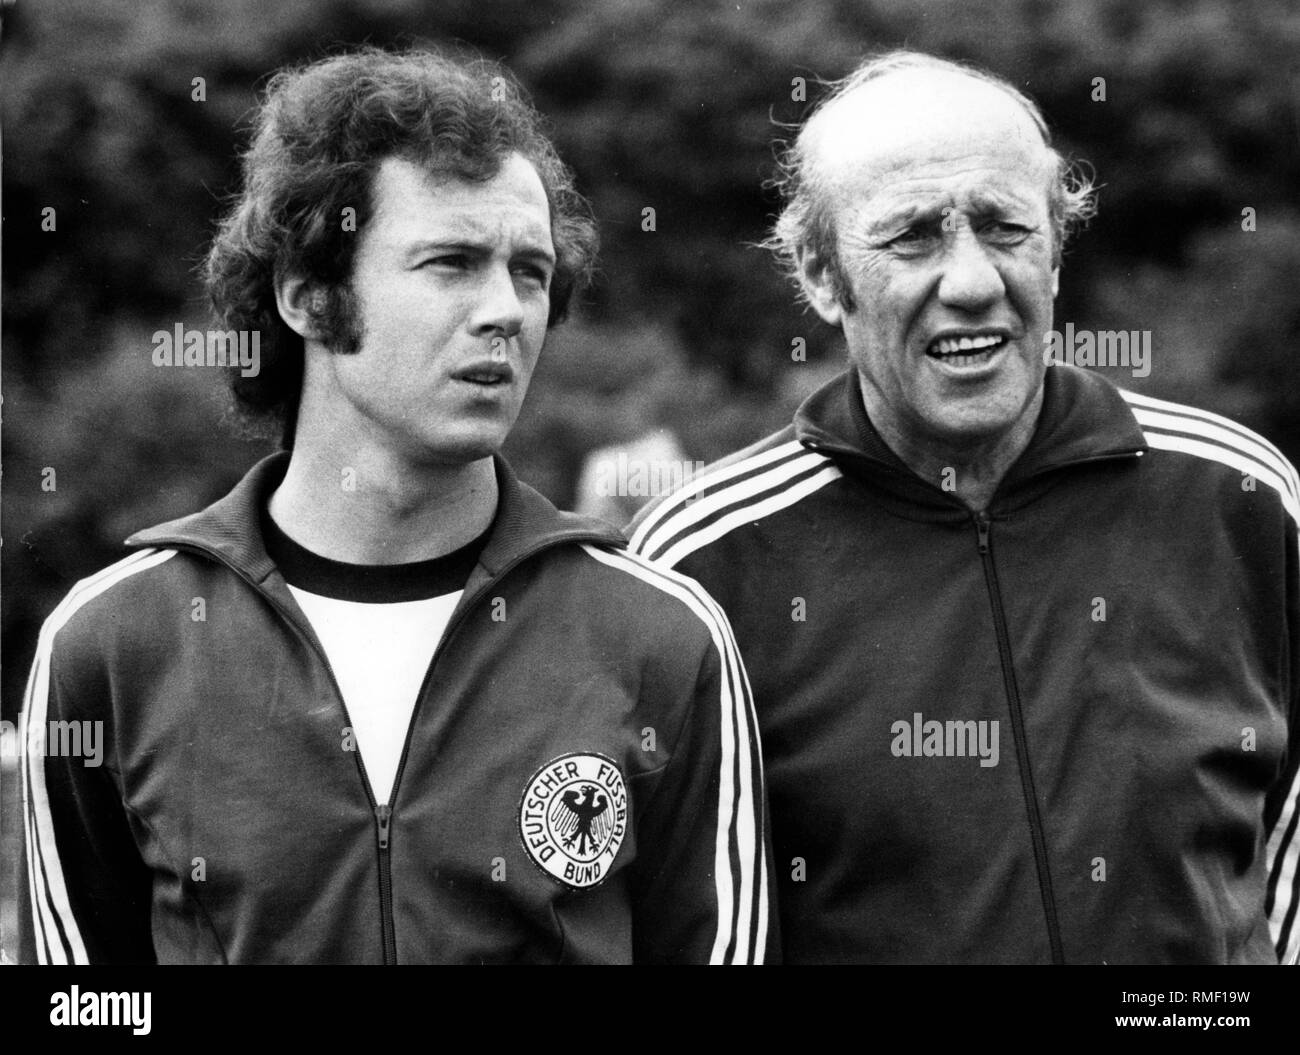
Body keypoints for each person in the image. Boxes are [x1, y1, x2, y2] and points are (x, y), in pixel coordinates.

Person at [19, 47, 772, 965]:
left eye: (530, 272)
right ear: (306, 296)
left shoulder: (660, 635)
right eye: (452, 262)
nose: (507, 310)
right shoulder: (112, 644)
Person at [630, 50, 1300, 964]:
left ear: (1057, 251)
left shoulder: (1240, 494)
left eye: (1006, 227)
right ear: (822, 276)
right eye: (912, 236)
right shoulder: (701, 561)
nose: (974, 280)